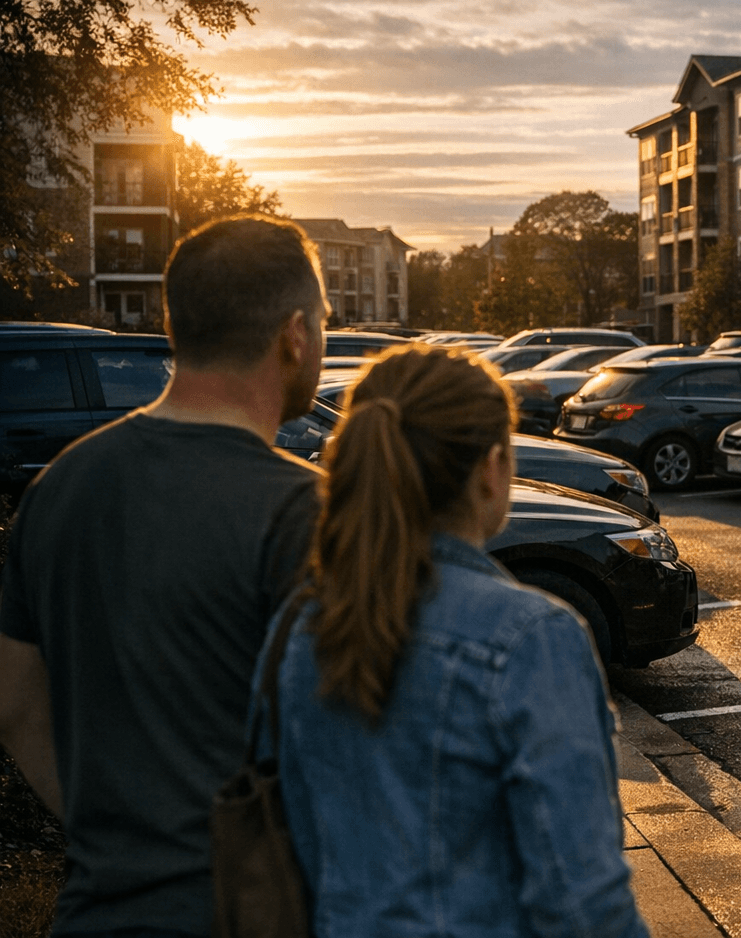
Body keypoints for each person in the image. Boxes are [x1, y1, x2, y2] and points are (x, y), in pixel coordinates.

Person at [0, 214, 327, 937]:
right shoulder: (307, 512)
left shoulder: (58, 488)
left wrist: (117, 834)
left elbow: (16, 703)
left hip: (97, 912)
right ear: (296, 333)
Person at [262, 344, 649, 936]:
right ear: (492, 470)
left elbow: (289, 832)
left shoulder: (304, 622)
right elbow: (582, 903)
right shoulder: (530, 640)